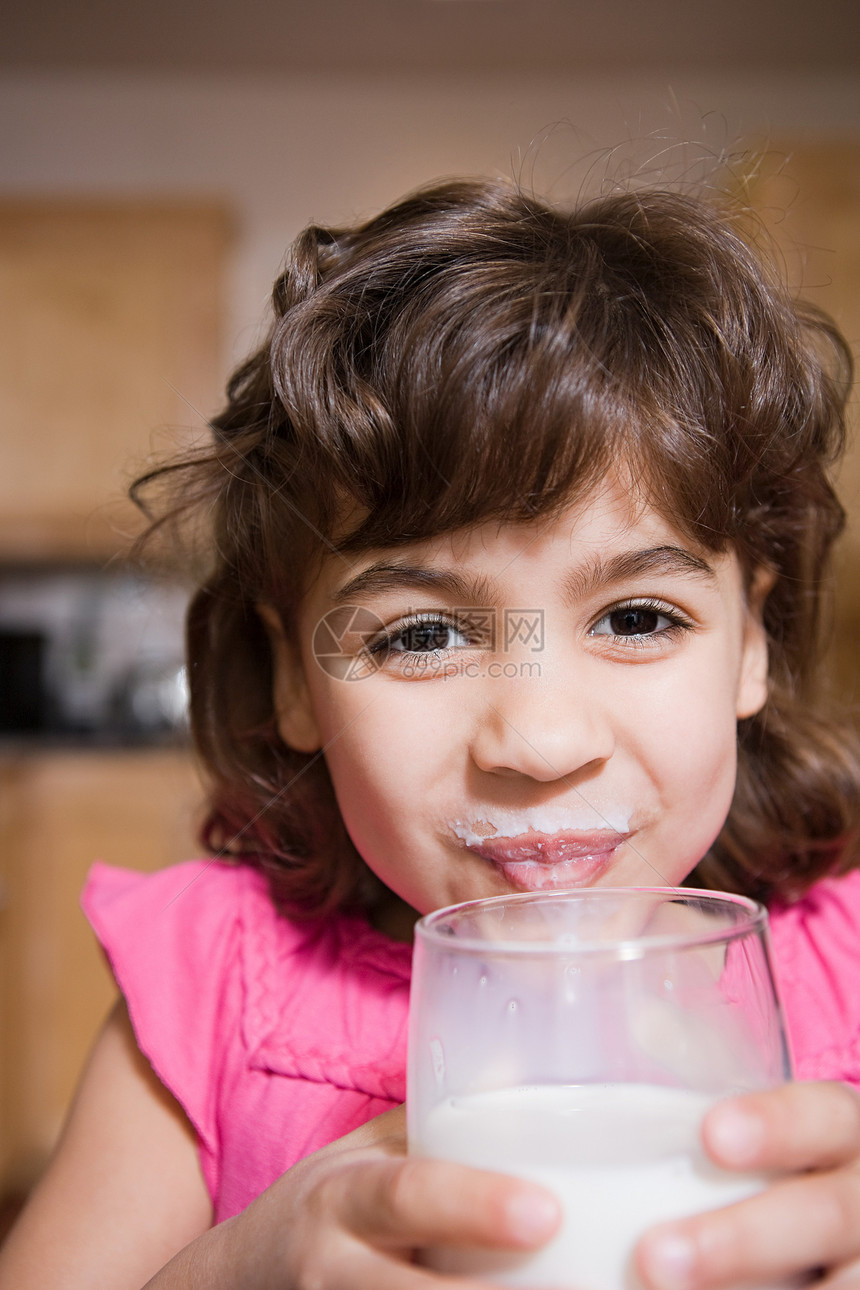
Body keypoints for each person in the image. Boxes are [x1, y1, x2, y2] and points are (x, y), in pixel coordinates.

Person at [2, 177, 860, 1290]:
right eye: (416, 638)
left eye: (637, 617)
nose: (539, 741)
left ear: (748, 642)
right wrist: (236, 1273)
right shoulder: (218, 991)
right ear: (291, 678)